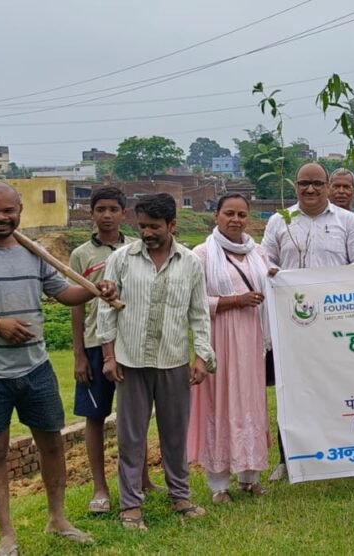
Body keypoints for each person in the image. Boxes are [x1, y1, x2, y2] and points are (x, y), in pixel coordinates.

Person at [0, 183, 118, 554]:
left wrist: (94, 289)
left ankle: (58, 519)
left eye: (8, 211)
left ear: (20, 210)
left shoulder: (34, 253)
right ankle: (7, 535)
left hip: (36, 366)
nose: (1, 218)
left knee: (52, 444)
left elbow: (63, 294)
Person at [97, 193, 215, 530]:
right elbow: (106, 309)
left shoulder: (190, 263)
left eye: (154, 227)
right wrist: (109, 356)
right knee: (131, 437)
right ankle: (130, 505)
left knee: (175, 434)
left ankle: (180, 496)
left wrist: (201, 356)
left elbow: (199, 314)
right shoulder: (121, 259)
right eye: (142, 226)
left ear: (172, 225)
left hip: (173, 360)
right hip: (130, 361)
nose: (147, 232)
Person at [260, 162, 354, 480]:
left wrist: (328, 283)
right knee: (290, 391)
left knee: (338, 386)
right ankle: (288, 458)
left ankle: (342, 453)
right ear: (295, 186)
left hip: (335, 322)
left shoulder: (347, 221)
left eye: (317, 183)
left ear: (327, 186)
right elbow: (264, 260)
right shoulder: (279, 221)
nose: (310, 189)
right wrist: (273, 272)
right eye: (303, 183)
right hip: (291, 323)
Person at [68, 187, 156, 515]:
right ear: (91, 213)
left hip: (131, 343)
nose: (106, 215)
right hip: (95, 344)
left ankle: (143, 479)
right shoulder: (81, 255)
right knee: (95, 417)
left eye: (113, 209)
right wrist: (79, 354)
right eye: (100, 209)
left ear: (124, 214)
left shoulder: (136, 248)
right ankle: (100, 488)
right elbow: (76, 308)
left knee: (136, 416)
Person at [188, 194, 277, 504]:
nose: (235, 220)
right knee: (220, 403)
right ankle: (219, 485)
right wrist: (235, 301)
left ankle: (250, 478)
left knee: (251, 403)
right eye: (229, 213)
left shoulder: (258, 253)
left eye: (241, 214)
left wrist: (275, 280)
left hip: (252, 339)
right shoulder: (201, 255)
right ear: (216, 216)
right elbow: (192, 301)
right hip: (219, 339)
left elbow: (271, 284)